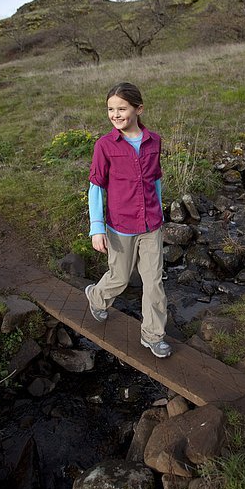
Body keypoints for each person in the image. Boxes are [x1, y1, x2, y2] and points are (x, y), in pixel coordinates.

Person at [85, 82, 171, 359]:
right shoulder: (105, 146)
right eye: (111, 109)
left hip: (151, 225)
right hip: (120, 225)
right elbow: (96, 187)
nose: (116, 114)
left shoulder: (154, 141)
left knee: (154, 281)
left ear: (138, 109)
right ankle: (97, 297)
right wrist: (96, 228)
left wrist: (159, 212)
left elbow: (155, 179)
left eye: (122, 108)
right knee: (120, 278)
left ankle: (153, 336)